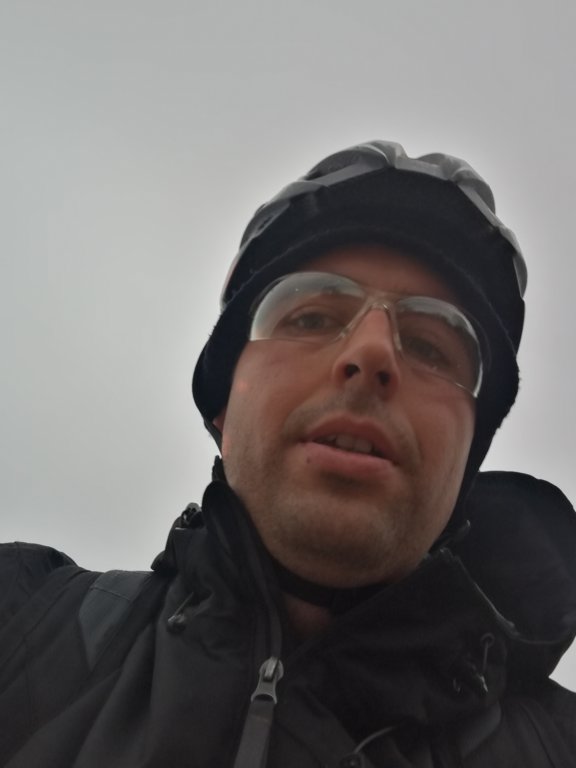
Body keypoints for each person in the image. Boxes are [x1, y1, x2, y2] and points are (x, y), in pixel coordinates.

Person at [1, 140, 575, 768]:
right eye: (310, 318)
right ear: (223, 409)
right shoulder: (23, 622)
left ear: (465, 458)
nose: (372, 353)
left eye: (431, 347)